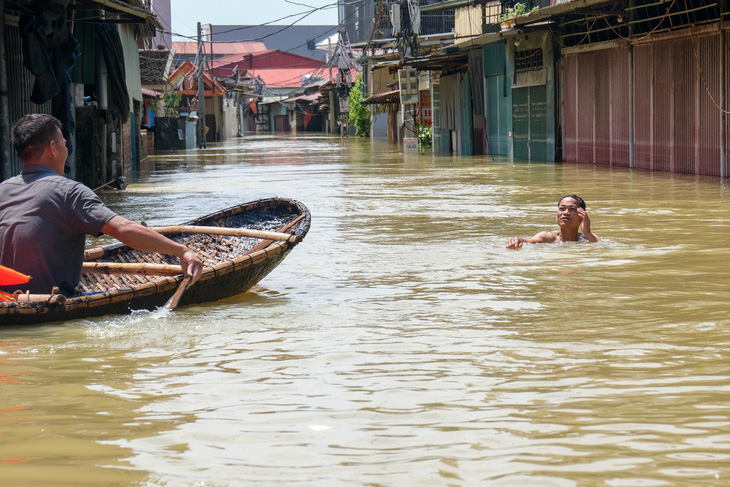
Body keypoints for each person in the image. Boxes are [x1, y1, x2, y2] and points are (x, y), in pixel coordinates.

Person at [0, 114, 202, 297]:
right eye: (64, 143)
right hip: (50, 300)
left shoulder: (2, 190)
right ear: (52, 148)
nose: (66, 149)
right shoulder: (70, 192)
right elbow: (124, 230)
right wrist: (182, 251)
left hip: (4, 299)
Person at [506, 194, 599, 250]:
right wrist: (517, 241)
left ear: (581, 217)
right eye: (562, 209)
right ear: (556, 215)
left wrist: (587, 232)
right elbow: (528, 242)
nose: (566, 213)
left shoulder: (588, 238)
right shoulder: (548, 237)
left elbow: (599, 249)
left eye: (572, 209)